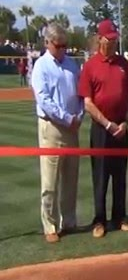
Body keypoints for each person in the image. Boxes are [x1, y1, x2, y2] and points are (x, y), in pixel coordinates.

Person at [78, 19, 128, 238]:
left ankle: (119, 217)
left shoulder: (123, 64)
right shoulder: (91, 66)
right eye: (109, 39)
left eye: (114, 39)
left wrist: (125, 122)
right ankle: (99, 220)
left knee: (120, 175)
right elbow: (88, 103)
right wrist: (108, 124)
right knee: (100, 176)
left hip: (121, 127)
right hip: (101, 129)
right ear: (100, 38)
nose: (112, 43)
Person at [31, 22, 84, 243]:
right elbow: (44, 100)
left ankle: (69, 221)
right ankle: (50, 225)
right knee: (50, 181)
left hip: (72, 127)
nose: (63, 49)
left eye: (65, 45)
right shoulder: (41, 66)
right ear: (48, 43)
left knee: (71, 178)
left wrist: (79, 116)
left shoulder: (72, 65)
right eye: (58, 45)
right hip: (51, 127)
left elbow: (81, 94)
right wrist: (66, 118)